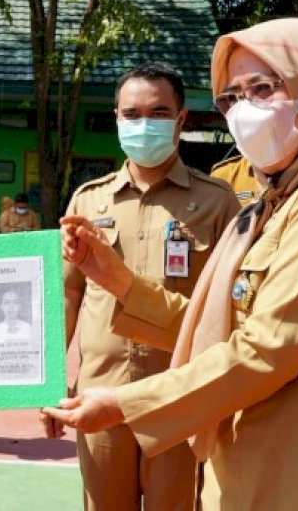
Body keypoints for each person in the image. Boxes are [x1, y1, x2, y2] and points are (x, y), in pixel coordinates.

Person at [44, 18, 298, 509]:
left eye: (264, 87)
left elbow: (270, 347)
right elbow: (216, 326)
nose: (245, 111)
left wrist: (128, 403)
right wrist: (115, 278)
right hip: (241, 447)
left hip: (295, 465)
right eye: (233, 96)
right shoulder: (276, 200)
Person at [59, 63, 240, 511]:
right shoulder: (88, 199)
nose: (144, 124)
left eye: (158, 113)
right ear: (117, 119)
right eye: (132, 114)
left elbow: (232, 305)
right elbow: (68, 294)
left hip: (178, 394)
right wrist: (49, 385)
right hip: (99, 393)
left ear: (180, 120)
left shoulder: (218, 201)